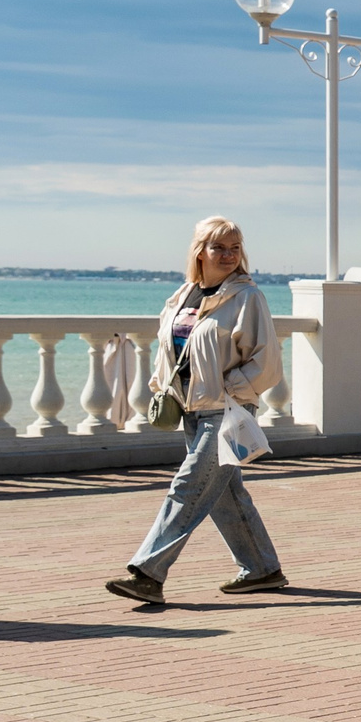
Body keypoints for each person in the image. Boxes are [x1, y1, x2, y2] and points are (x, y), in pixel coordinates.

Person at [105, 218, 287, 604]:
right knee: (223, 494)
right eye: (219, 247)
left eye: (234, 248)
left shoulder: (247, 297)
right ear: (199, 251)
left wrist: (230, 390)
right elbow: (170, 348)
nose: (227, 255)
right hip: (190, 408)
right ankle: (262, 568)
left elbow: (267, 361)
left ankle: (148, 574)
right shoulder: (184, 294)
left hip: (227, 411)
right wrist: (163, 388)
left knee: (187, 487)